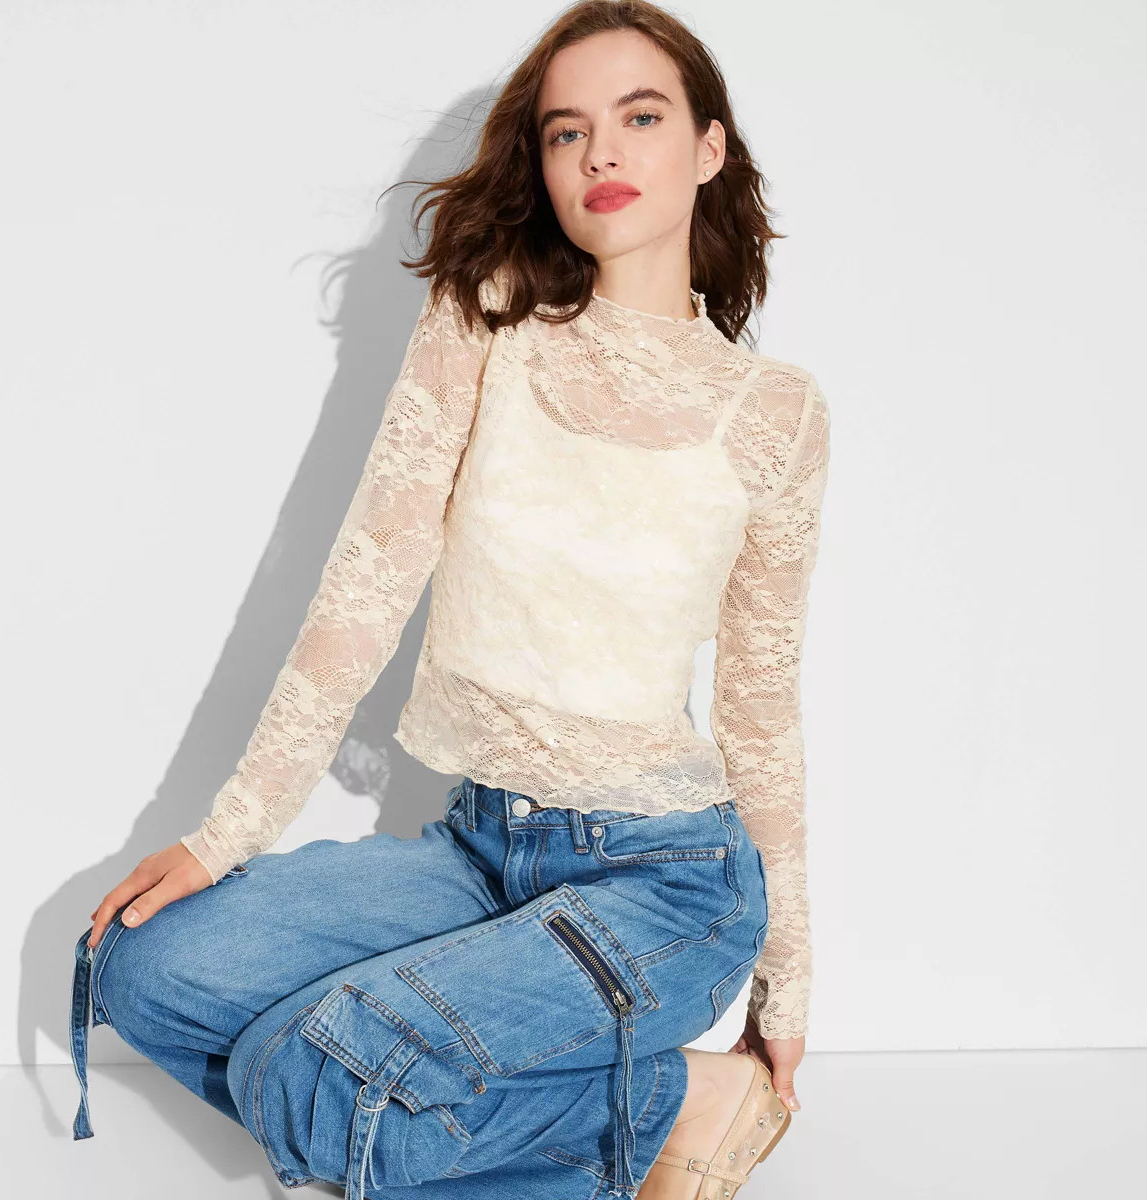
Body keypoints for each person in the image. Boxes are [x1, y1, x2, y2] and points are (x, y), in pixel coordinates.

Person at [69, 3, 831, 1198]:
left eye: (640, 118)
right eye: (566, 131)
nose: (601, 152)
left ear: (709, 149)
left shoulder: (775, 412)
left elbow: (760, 705)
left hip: (667, 883)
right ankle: (654, 1113)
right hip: (482, 850)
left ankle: (641, 1098)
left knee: (310, 1072)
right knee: (140, 969)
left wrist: (787, 980)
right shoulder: (488, 320)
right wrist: (227, 836)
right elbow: (364, 587)